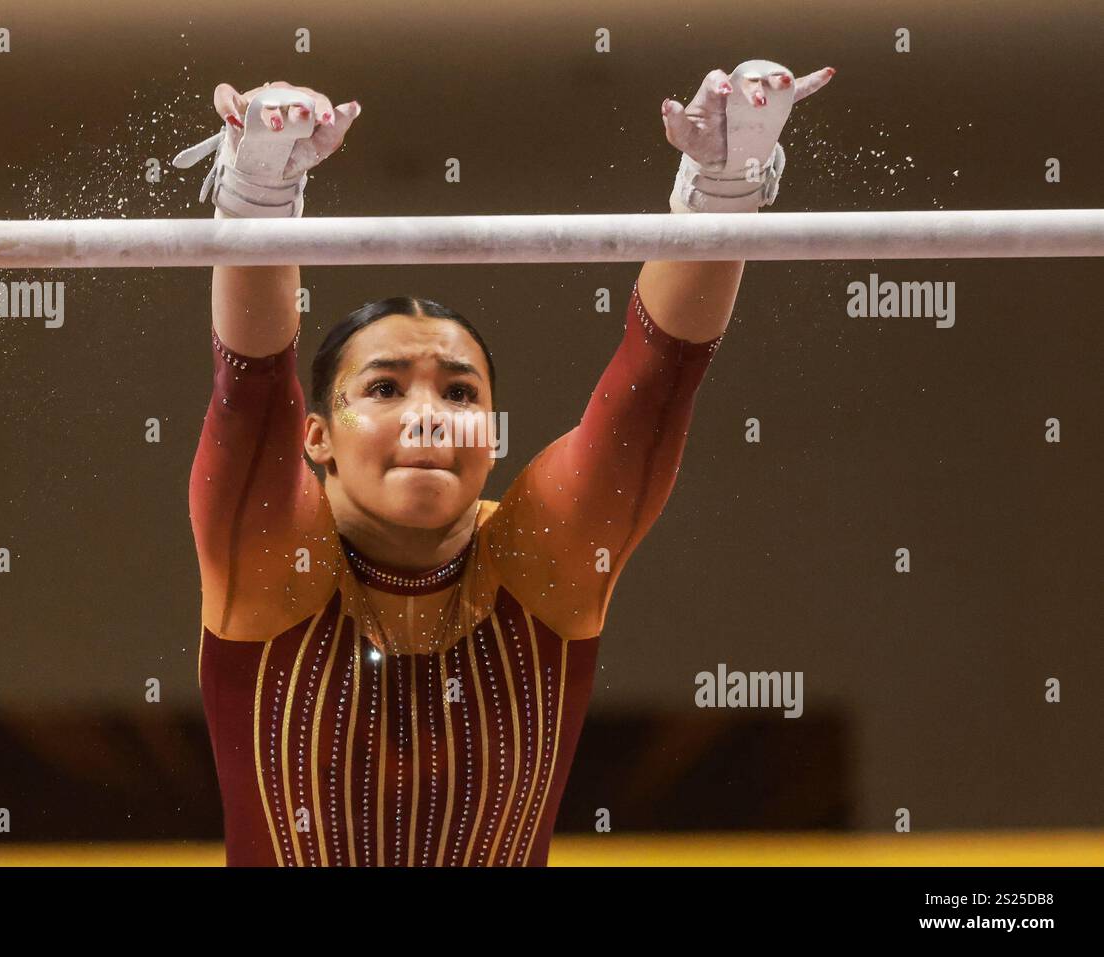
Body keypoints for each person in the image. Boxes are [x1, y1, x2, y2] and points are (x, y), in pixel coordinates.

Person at [177, 63, 835, 866]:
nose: (427, 413)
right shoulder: (277, 561)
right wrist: (256, 205)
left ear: (492, 434)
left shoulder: (536, 565)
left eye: (459, 393)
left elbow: (656, 380)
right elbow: (249, 394)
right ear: (317, 437)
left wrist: (722, 198)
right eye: (384, 387)